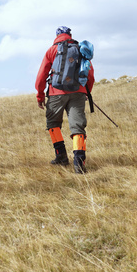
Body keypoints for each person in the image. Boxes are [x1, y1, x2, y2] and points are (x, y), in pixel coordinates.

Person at [35, 26, 95, 174]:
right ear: (70, 35)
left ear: (56, 36)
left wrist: (40, 95)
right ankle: (79, 163)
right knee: (78, 127)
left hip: (56, 93)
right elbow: (90, 73)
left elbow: (42, 75)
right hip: (78, 93)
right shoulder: (81, 49)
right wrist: (86, 91)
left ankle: (61, 156)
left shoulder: (51, 50)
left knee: (53, 123)